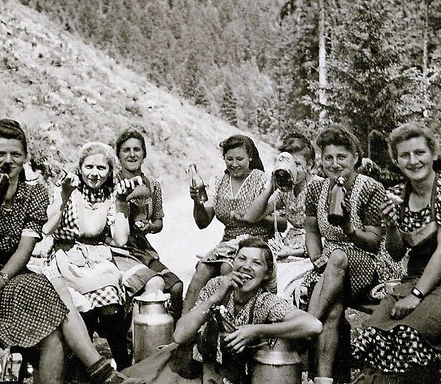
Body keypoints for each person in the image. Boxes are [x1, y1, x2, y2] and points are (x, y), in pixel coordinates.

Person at [0, 119, 142, 384]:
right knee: (49, 286)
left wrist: (0, 280)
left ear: (24, 159)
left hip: (12, 282)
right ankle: (100, 370)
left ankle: (97, 371)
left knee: (52, 331)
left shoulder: (33, 195)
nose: (6, 162)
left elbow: (25, 249)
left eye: (15, 155)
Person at [352, 122, 441, 383]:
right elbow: (397, 252)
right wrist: (390, 225)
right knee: (373, 332)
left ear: (433, 154)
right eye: (405, 155)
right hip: (416, 278)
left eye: (419, 152)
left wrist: (415, 295)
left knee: (409, 334)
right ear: (397, 161)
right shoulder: (396, 196)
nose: (413, 161)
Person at [42, 141, 164, 370]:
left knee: (110, 297)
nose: (94, 174)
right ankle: (84, 366)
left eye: (101, 168)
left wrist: (120, 204)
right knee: (82, 304)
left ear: (109, 172)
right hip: (65, 255)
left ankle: (123, 362)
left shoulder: (111, 195)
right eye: (89, 167)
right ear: (80, 167)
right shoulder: (67, 189)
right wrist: (64, 197)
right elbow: (47, 229)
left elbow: (120, 239)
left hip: (95, 256)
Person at [174, 237, 323, 384]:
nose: (246, 266)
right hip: (206, 373)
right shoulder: (217, 285)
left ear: (266, 273)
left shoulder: (265, 301)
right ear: (233, 262)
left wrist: (257, 330)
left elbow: (313, 325)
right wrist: (215, 297)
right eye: (242, 259)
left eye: (256, 263)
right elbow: (179, 336)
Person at [304, 125, 387, 384]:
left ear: (355, 158)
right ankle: (324, 380)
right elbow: (311, 229)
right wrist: (316, 257)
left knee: (338, 257)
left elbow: (374, 242)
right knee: (333, 311)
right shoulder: (316, 190)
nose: (335, 163)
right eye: (328, 157)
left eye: (341, 157)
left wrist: (349, 230)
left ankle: (303, 329)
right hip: (331, 266)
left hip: (369, 263)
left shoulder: (370, 188)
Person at [183, 134, 281, 314]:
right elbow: (203, 223)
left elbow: (280, 222)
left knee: (227, 268)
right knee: (201, 270)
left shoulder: (263, 180)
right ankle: (185, 327)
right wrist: (197, 202)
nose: (234, 164)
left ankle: (226, 321)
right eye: (229, 159)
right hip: (227, 244)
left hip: (256, 243)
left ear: (250, 157)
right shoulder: (218, 182)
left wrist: (254, 217)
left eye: (240, 159)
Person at [113, 129, 184, 322]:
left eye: (137, 149)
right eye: (126, 150)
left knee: (176, 287)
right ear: (118, 154)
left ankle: (175, 338)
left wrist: (150, 227)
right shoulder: (110, 182)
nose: (132, 154)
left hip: (142, 249)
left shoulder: (153, 185)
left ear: (144, 154)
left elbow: (159, 221)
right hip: (116, 248)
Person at [244, 132, 323, 259]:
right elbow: (252, 217)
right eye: (288, 165)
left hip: (313, 250)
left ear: (309, 165)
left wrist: (292, 252)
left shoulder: (318, 187)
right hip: (289, 245)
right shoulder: (285, 190)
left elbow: (327, 235)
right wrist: (271, 186)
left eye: (296, 164)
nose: (291, 169)